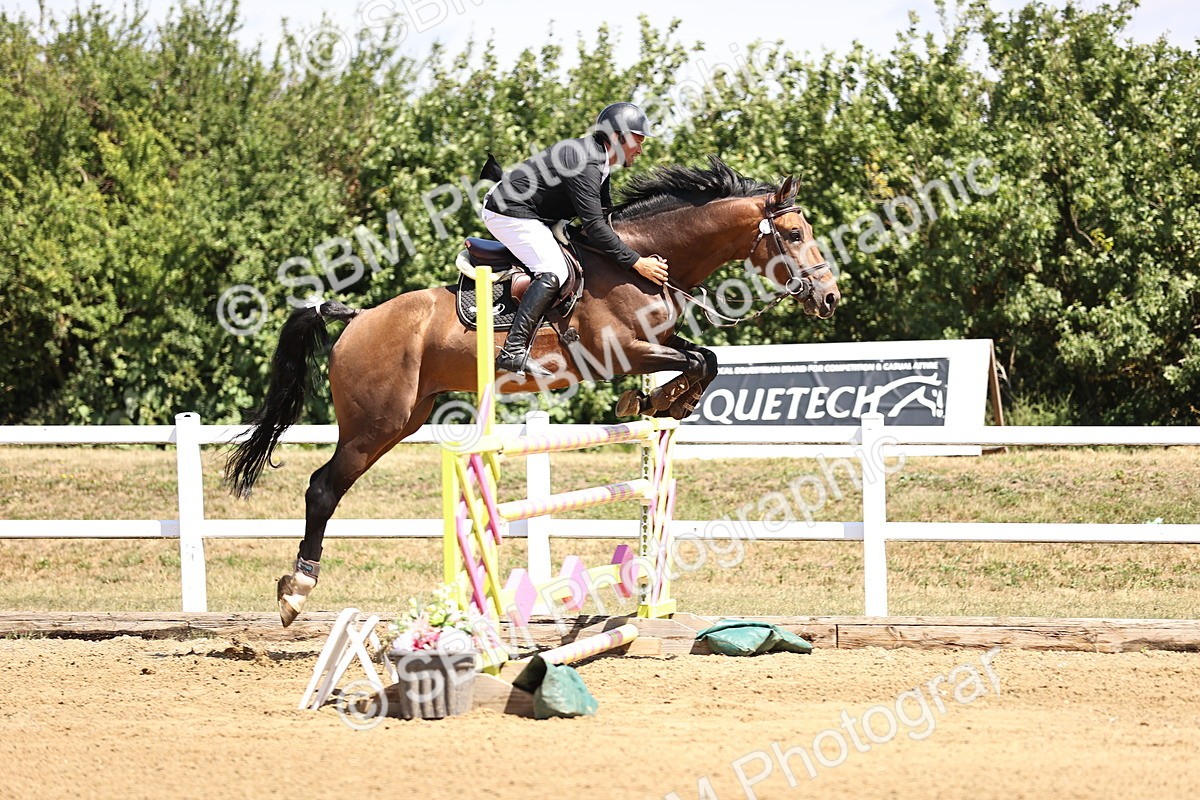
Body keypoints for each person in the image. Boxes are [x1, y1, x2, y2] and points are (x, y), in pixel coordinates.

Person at [480, 102, 671, 376]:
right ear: (617, 137)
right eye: (637, 142)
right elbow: (594, 226)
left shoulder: (600, 160)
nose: (640, 150)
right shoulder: (587, 162)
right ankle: (513, 350)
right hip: (508, 212)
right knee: (554, 270)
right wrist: (636, 263)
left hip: (536, 213)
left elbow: (605, 218)